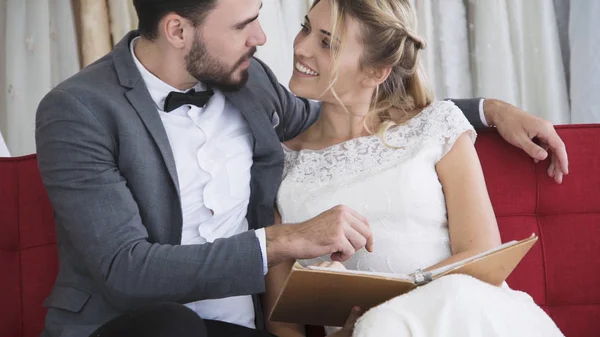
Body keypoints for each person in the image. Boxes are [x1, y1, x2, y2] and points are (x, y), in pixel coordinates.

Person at [34, 0, 566, 336]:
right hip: (141, 325)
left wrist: (490, 111)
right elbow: (127, 272)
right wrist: (283, 240)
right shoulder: (78, 110)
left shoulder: (251, 81)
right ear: (177, 30)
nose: (265, 38)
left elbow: (356, 112)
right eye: (245, 23)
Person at [263, 0, 565, 336]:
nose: (300, 47)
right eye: (305, 27)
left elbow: (480, 255)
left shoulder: (436, 125)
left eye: (326, 42)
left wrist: (382, 307)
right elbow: (283, 324)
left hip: (468, 313)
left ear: (376, 71)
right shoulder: (283, 167)